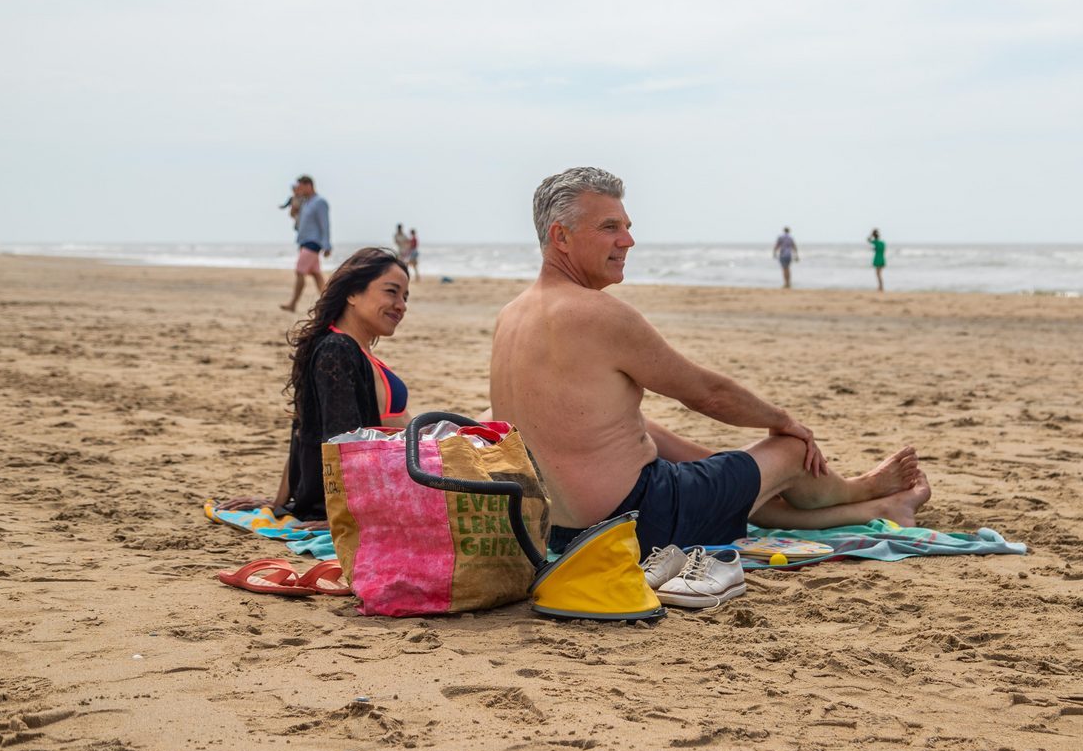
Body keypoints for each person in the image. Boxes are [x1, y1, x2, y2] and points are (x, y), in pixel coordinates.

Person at [491, 167, 931, 556]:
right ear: (560, 237)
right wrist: (784, 422)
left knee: (652, 431)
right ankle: (860, 488)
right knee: (791, 452)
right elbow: (706, 393)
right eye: (609, 227)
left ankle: (876, 506)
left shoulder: (511, 315)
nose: (628, 239)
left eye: (626, 225)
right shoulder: (597, 314)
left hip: (558, 530)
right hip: (635, 521)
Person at [220, 248, 412, 528]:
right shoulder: (337, 349)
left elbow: (302, 427)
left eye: (405, 297)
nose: (401, 305)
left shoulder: (351, 348)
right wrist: (342, 516)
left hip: (402, 472)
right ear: (352, 294)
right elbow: (341, 441)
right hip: (384, 488)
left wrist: (280, 502)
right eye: (392, 292)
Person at [282, 176, 332, 313]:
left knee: (300, 271)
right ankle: (329, 302)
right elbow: (295, 218)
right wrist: (294, 205)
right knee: (316, 274)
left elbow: (325, 224)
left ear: (308, 185)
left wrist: (327, 245)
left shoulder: (320, 202)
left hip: (313, 242)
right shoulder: (305, 203)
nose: (298, 189)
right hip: (304, 241)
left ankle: (293, 303)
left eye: (300, 187)